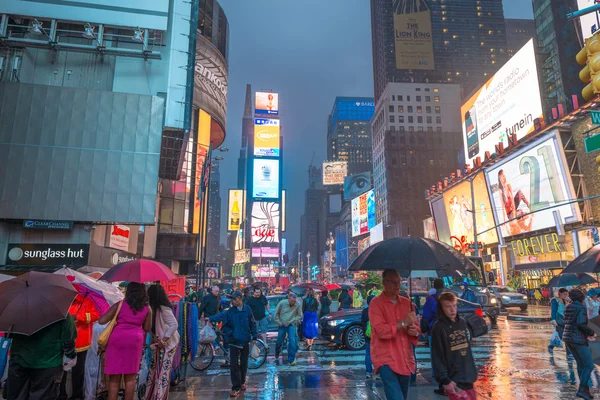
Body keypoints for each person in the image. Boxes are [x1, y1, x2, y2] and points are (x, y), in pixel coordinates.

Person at [369, 269, 419, 400]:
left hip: (405, 359)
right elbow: (380, 331)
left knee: (402, 395)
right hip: (386, 359)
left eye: (399, 282)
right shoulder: (376, 303)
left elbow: (416, 330)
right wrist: (402, 323)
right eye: (393, 282)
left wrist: (414, 331)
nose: (397, 285)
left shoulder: (407, 304)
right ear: (384, 283)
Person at [99, 282, 152, 400]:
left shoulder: (119, 304)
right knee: (131, 378)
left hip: (117, 339)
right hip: (135, 340)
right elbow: (147, 328)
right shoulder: (147, 308)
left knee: (114, 379)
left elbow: (102, 321)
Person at [6, 315, 77, 400]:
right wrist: (71, 356)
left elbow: (8, 334)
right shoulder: (61, 314)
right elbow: (68, 341)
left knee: (17, 396)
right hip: (48, 364)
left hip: (19, 361)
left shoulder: (17, 311)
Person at [208, 291, 257, 398]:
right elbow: (225, 327)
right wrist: (233, 334)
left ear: (239, 299)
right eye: (232, 299)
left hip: (245, 341)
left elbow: (252, 323)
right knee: (234, 365)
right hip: (234, 342)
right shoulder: (230, 312)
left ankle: (242, 381)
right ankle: (235, 388)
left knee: (244, 364)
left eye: (234, 299)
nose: (232, 301)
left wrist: (255, 336)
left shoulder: (247, 309)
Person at [431, 292, 478, 400]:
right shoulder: (439, 328)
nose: (452, 310)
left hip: (468, 377)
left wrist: (472, 372)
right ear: (441, 308)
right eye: (448, 307)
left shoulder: (461, 323)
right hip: (454, 381)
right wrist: (445, 380)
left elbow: (467, 351)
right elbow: (437, 356)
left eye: (454, 305)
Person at [59, 293, 100, 400]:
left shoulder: (87, 301)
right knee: (61, 370)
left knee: (78, 371)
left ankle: (77, 396)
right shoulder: (62, 301)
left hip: (81, 342)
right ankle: (61, 394)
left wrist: (79, 317)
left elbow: (96, 315)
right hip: (63, 341)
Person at [146, 285, 180, 400]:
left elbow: (174, 324)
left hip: (169, 344)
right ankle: (153, 395)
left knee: (163, 372)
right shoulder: (153, 309)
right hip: (159, 343)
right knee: (155, 371)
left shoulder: (164, 309)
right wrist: (154, 336)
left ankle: (159, 396)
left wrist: (164, 339)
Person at [563, 288, 597, 400]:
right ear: (581, 297)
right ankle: (582, 389)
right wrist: (591, 332)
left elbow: (567, 321)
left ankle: (585, 390)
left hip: (568, 339)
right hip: (578, 339)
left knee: (581, 365)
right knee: (589, 365)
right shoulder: (581, 307)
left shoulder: (568, 306)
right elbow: (581, 324)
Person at [421, 279, 445, 394]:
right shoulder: (449, 297)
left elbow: (426, 316)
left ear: (434, 287)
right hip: (447, 330)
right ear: (443, 286)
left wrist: (424, 329)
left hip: (434, 331)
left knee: (435, 354)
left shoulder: (431, 299)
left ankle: (437, 376)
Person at [274, 292, 303, 365]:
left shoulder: (298, 304)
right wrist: (278, 322)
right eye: (291, 301)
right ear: (288, 299)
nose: (293, 302)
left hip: (291, 324)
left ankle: (291, 359)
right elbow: (276, 313)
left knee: (292, 341)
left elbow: (300, 315)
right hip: (282, 324)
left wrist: (294, 320)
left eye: (294, 301)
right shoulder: (282, 303)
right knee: (279, 341)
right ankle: (277, 352)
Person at [549, 288, 572, 358]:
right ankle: (568, 353)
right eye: (565, 294)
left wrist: (569, 302)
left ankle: (551, 346)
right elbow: (553, 311)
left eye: (567, 294)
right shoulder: (555, 300)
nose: (566, 295)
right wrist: (553, 319)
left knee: (565, 336)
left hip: (565, 320)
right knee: (563, 336)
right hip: (558, 320)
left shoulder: (566, 301)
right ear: (560, 294)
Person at [362, 295, 376, 380]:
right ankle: (377, 373)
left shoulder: (365, 311)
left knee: (368, 354)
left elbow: (362, 323)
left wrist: (366, 332)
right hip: (377, 336)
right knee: (378, 354)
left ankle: (368, 372)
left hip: (368, 336)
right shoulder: (378, 311)